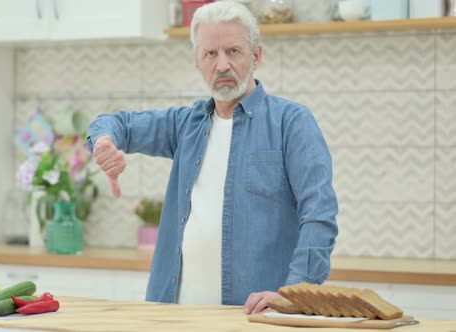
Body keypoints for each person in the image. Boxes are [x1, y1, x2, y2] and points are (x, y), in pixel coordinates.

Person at [85, 1, 338, 314]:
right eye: (210, 54)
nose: (222, 65)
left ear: (256, 56)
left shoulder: (291, 123)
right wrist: (104, 142)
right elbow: (114, 124)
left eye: (233, 51)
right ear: (197, 62)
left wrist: (295, 293)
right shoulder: (184, 124)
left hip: (256, 319)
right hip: (174, 315)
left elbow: (320, 216)